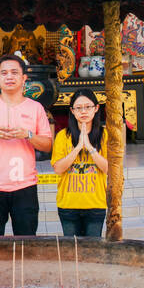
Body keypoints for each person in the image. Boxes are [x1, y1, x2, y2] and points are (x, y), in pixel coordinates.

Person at [0, 54, 52, 236]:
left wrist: (28, 135)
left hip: (25, 187)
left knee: (26, 240)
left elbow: (47, 145)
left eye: (15, 72)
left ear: (24, 78)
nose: (9, 77)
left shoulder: (35, 108)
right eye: (4, 73)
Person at [50, 91, 108, 238]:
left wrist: (89, 147)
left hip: (96, 205)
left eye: (88, 107)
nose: (83, 111)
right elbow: (58, 168)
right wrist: (77, 149)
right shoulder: (63, 136)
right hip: (68, 206)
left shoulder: (105, 135)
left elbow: (109, 168)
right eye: (78, 108)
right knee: (72, 252)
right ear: (72, 111)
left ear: (96, 108)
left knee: (93, 252)